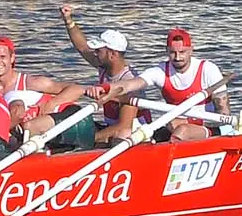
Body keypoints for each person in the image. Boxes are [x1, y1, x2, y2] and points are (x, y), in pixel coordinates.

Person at [97, 28, 230, 141]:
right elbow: (131, 84)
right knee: (127, 134)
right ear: (167, 51)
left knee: (182, 130)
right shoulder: (161, 71)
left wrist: (190, 122)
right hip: (173, 126)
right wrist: (104, 88)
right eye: (173, 53)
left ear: (191, 50)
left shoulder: (208, 70)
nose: (177, 58)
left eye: (182, 52)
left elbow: (224, 115)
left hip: (208, 127)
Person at [61, 5, 151, 143]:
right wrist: (68, 21)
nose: (95, 53)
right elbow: (83, 47)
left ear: (112, 54)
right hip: (112, 128)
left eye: (99, 50)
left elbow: (123, 126)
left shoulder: (130, 82)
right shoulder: (104, 66)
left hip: (133, 135)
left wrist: (90, 139)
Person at [0, 37, 94, 150]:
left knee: (29, 128)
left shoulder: (31, 82)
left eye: (3, 57)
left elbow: (76, 89)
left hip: (72, 122)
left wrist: (52, 104)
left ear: (12, 58)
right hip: (39, 137)